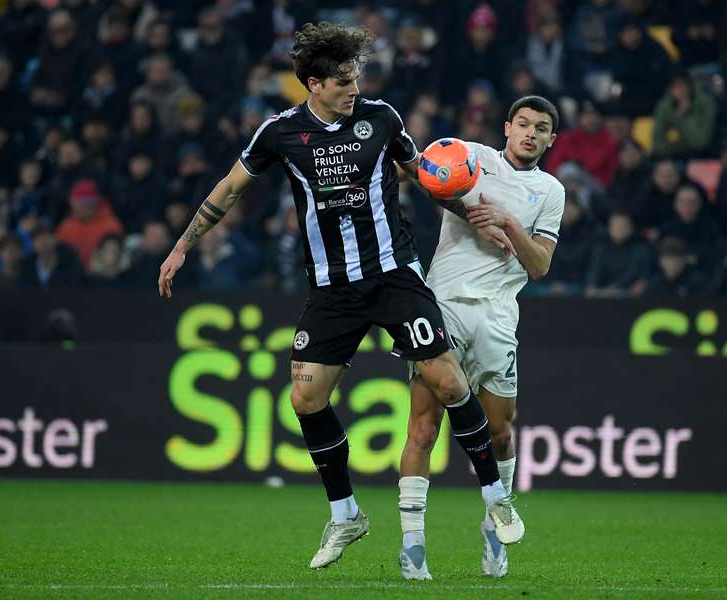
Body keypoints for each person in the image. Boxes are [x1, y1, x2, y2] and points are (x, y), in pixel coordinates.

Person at [156, 21, 522, 571]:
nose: (355, 89)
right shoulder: (279, 133)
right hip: (331, 288)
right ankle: (346, 513)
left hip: (395, 275)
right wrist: (183, 246)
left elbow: (424, 178)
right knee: (304, 398)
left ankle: (496, 499)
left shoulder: (382, 119)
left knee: (448, 380)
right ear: (314, 84)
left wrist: (474, 215)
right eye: (344, 82)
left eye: (357, 78)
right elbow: (230, 189)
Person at [398, 96, 564, 580]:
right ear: (507, 128)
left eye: (542, 128)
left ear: (552, 139)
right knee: (424, 428)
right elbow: (423, 174)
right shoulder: (471, 158)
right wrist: (469, 211)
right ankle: (413, 547)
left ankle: (494, 529)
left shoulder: (550, 192)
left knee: (501, 433)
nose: (531, 133)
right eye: (524, 124)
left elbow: (540, 267)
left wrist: (509, 223)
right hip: (442, 305)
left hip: (497, 316)